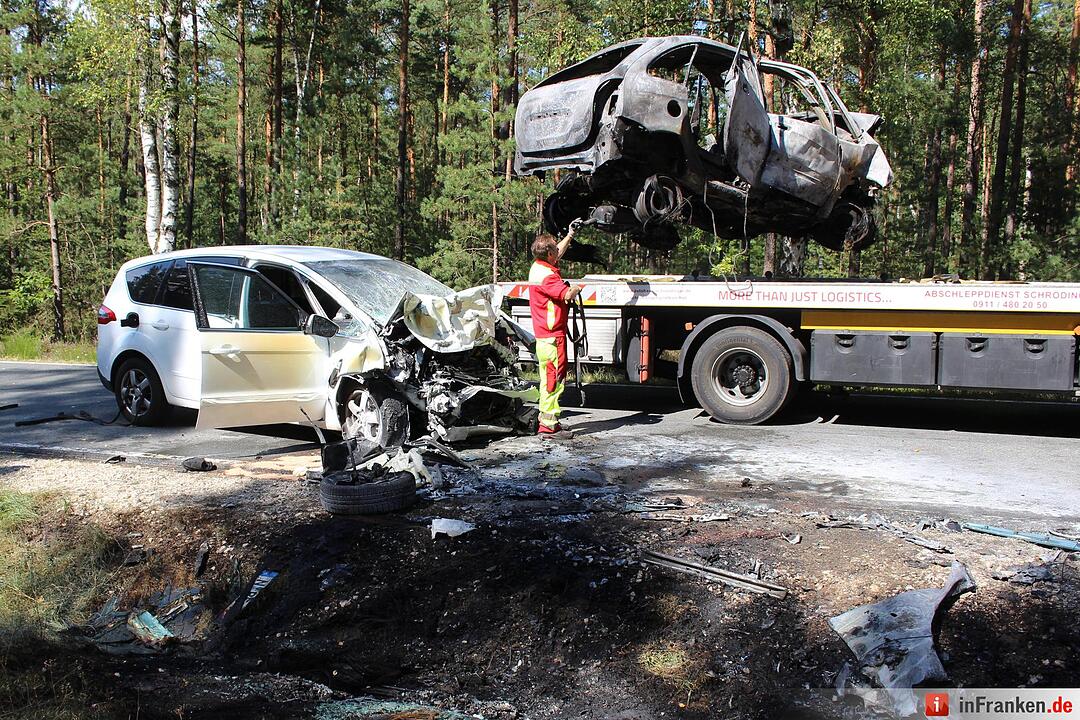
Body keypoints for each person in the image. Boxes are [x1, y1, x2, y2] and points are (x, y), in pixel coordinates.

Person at [528, 223, 584, 438]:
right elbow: (567, 295)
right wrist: (576, 288)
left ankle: (549, 422)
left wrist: (570, 234)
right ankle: (549, 427)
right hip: (552, 337)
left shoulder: (539, 267)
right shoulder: (549, 277)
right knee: (553, 381)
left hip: (545, 336)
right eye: (554, 249)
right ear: (549, 253)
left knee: (548, 379)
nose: (557, 251)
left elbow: (557, 250)